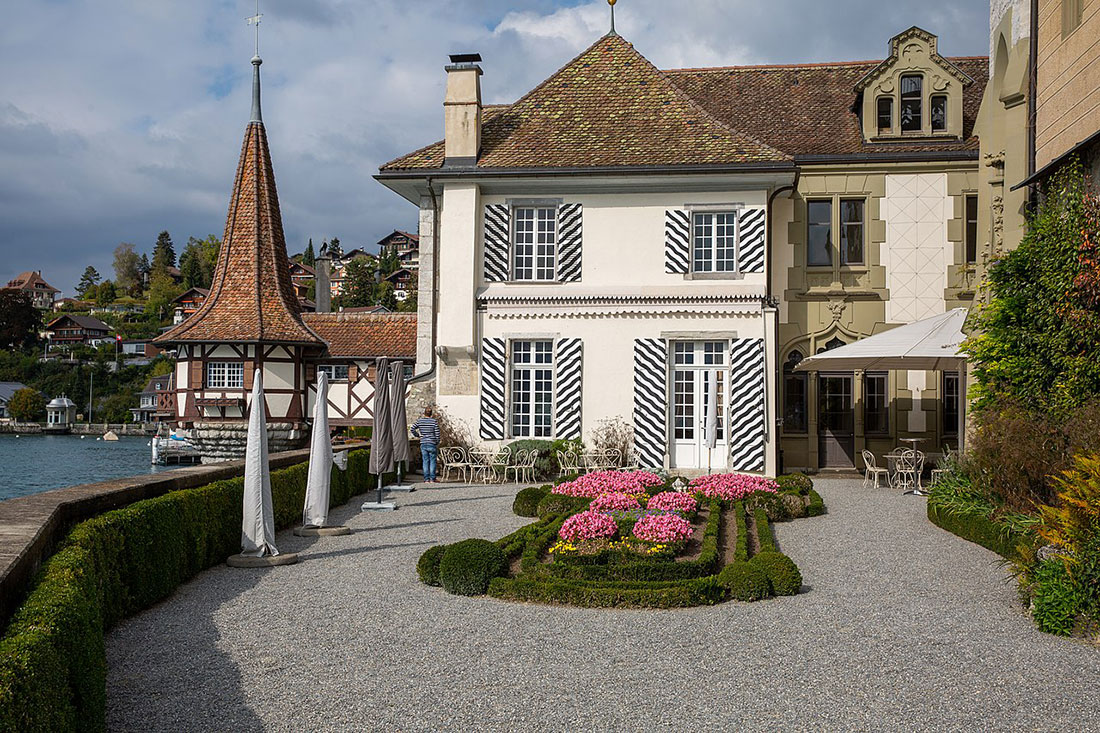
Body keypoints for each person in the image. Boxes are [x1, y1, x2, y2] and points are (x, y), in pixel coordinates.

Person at [410, 406, 441, 483]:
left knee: (425, 461)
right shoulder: (434, 422)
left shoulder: (420, 421)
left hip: (423, 443)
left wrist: (417, 435)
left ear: (424, 413)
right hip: (432, 443)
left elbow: (412, 428)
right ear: (431, 414)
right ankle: (432, 479)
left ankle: (426, 479)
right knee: (433, 461)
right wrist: (436, 442)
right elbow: (437, 433)